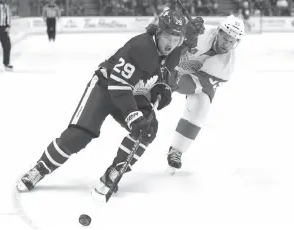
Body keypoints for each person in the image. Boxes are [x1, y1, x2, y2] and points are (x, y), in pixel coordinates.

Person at [16, 9, 192, 195]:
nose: (171, 43)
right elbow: (118, 85)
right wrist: (133, 116)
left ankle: (115, 170)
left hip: (130, 90)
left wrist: (162, 87)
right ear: (158, 32)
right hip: (105, 86)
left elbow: (163, 72)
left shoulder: (175, 50)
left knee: (148, 128)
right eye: (168, 36)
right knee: (80, 135)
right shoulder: (140, 47)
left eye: (176, 38)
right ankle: (40, 168)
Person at [166, 15, 245, 174]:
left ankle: (176, 150)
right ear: (218, 32)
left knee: (201, 108)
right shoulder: (200, 33)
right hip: (173, 63)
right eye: (225, 38)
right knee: (152, 79)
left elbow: (198, 85)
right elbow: (168, 43)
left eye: (232, 42)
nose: (226, 45)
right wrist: (185, 32)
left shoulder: (226, 68)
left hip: (198, 79)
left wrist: (175, 77)